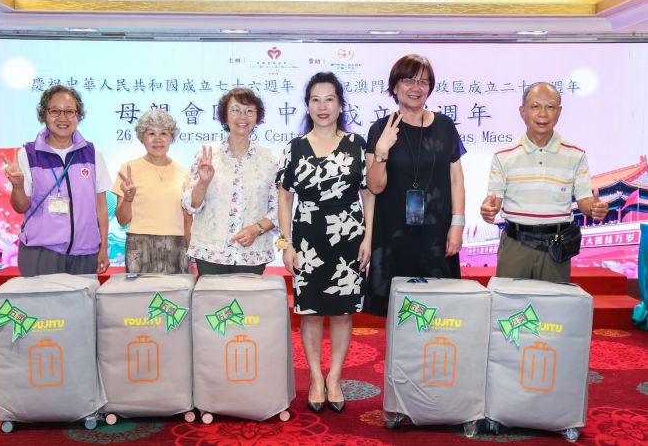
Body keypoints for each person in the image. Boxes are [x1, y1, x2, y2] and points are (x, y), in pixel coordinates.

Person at [277, 72, 374, 414]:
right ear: (307, 106)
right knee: (312, 314)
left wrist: (369, 237)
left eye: (329, 99)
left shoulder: (357, 144)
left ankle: (335, 377)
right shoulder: (295, 148)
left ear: (340, 105)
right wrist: (286, 244)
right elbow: (284, 198)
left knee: (344, 313)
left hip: (349, 237)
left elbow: (368, 194)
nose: (322, 106)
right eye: (315, 100)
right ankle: (316, 378)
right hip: (307, 239)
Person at [364, 54, 466, 317]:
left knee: (439, 307)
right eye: (408, 80)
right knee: (397, 310)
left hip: (437, 231)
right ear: (395, 86)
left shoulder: (444, 126)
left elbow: (457, 178)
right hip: (393, 232)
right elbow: (375, 186)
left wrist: (457, 224)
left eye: (423, 81)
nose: (416, 87)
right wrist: (382, 151)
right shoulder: (381, 129)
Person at [480, 82, 608, 282]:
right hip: (515, 245)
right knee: (509, 301)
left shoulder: (576, 154)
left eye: (550, 107)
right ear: (522, 111)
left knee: (554, 302)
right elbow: (493, 200)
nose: (543, 114)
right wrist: (488, 209)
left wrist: (594, 208)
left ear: (559, 112)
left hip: (556, 247)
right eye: (535, 106)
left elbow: (584, 201)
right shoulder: (504, 156)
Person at [3, 85, 111, 277]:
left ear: (78, 115)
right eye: (55, 111)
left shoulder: (92, 154)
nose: (62, 118)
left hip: (85, 253)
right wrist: (17, 186)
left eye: (69, 111)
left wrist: (103, 248)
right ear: (44, 115)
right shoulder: (28, 154)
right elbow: (20, 207)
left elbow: (101, 205)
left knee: (82, 298)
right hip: (41, 252)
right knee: (42, 299)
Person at [182, 87, 277, 275]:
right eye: (235, 110)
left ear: (257, 117)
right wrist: (203, 182)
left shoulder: (268, 159)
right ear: (225, 116)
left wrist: (257, 228)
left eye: (249, 111)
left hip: (252, 253)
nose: (242, 116)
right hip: (210, 251)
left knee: (247, 296)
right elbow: (191, 205)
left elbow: (278, 209)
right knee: (212, 296)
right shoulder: (208, 154)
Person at [112, 110, 192, 273]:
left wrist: (191, 254)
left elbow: (187, 220)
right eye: (151, 133)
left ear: (171, 137)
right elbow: (122, 220)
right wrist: (128, 199)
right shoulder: (128, 169)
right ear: (142, 138)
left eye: (163, 133)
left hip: (176, 245)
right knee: (140, 290)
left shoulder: (184, 173)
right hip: (138, 244)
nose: (158, 139)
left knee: (177, 290)